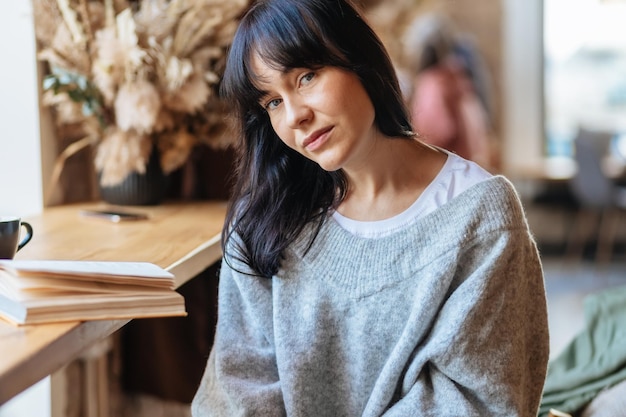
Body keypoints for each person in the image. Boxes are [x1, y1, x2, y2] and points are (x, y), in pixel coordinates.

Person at [191, 0, 549, 415]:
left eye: (306, 77)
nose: (295, 116)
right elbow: (236, 391)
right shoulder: (263, 222)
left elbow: (475, 400)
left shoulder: (480, 219)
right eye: (271, 101)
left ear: (358, 59)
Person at [404, 12, 494, 169]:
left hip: (450, 171)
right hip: (470, 167)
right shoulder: (460, 79)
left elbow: (436, 133)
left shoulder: (434, 83)